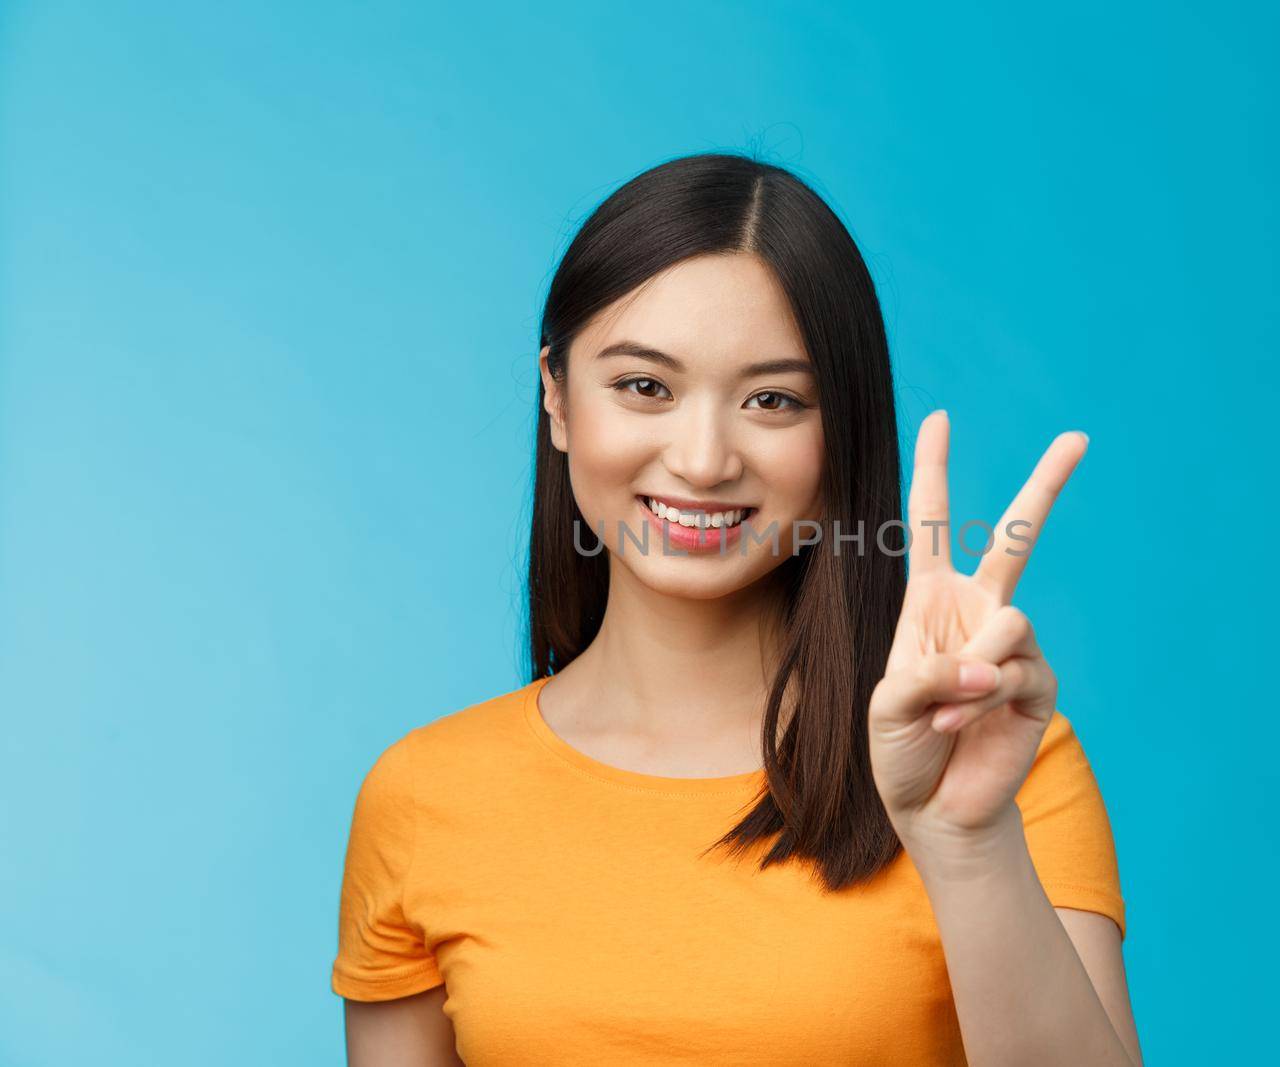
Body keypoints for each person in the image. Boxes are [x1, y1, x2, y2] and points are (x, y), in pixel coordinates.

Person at [331, 152, 1142, 1066]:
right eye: (646, 386)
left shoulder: (991, 764)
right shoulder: (424, 796)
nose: (705, 458)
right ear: (557, 396)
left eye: (772, 400)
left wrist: (968, 843)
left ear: (841, 431)